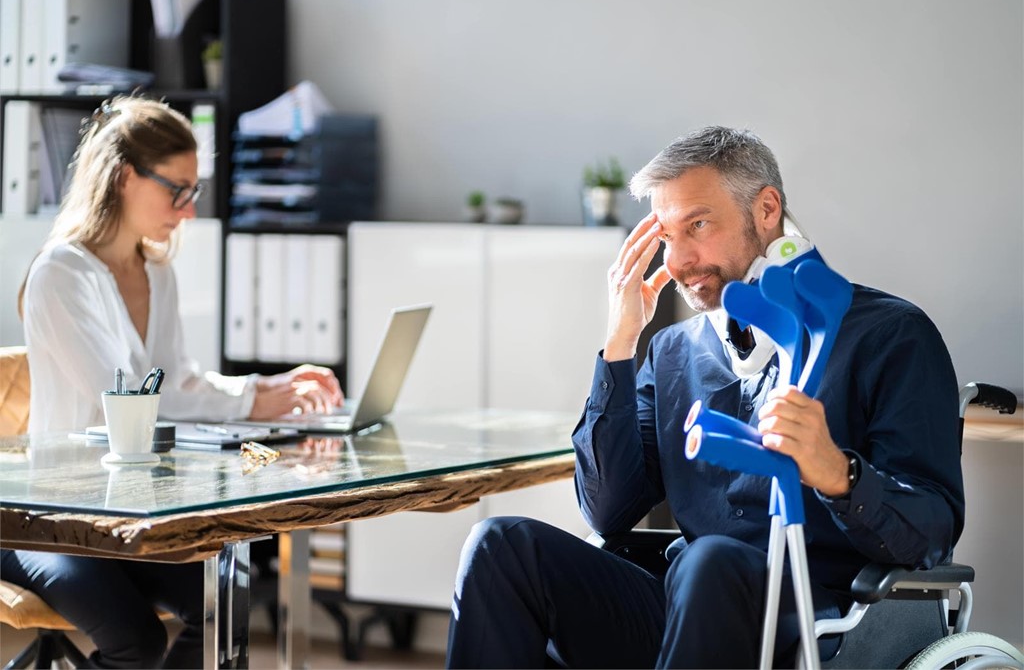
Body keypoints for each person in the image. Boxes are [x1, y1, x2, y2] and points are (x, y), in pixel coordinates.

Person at [446, 126, 965, 668]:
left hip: (822, 624)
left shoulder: (889, 335)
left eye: (698, 224)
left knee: (711, 560)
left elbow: (930, 533)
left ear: (767, 210)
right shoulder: (672, 352)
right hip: (683, 610)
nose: (679, 261)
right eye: (668, 237)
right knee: (499, 546)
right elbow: (607, 511)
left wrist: (839, 473)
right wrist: (621, 343)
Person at [4, 95, 344, 668]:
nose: (187, 211)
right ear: (124, 177)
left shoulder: (156, 271)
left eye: (194, 193)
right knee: (135, 640)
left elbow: (176, 381)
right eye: (176, 190)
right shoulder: (61, 274)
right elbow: (131, 401)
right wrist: (252, 405)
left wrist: (266, 391)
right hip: (52, 523)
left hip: (130, 518)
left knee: (226, 604)